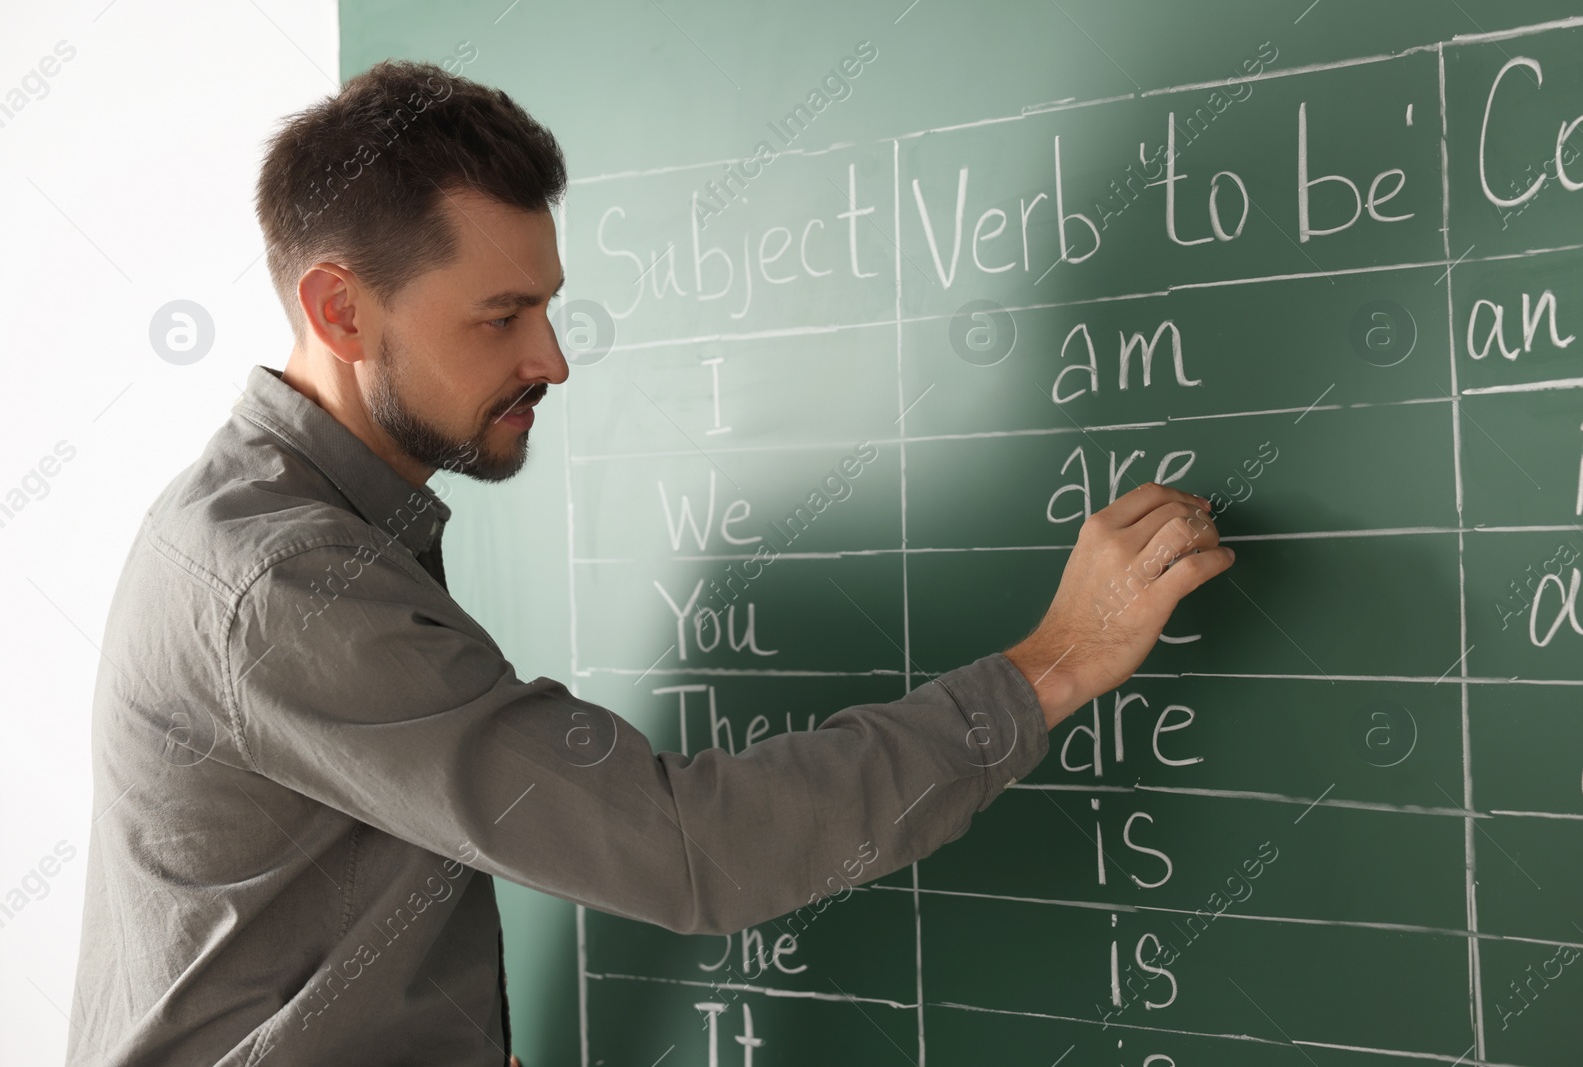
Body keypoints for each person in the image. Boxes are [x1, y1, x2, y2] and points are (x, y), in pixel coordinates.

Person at [64, 59, 1233, 1067]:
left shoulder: (293, 519)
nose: (554, 359)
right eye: (500, 314)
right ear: (340, 308)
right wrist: (1054, 665)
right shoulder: (283, 584)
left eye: (549, 305)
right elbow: (687, 849)